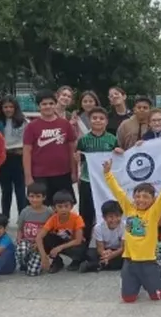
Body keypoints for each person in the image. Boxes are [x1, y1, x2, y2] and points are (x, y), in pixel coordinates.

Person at [103, 158, 161, 302]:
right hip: (130, 262)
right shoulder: (129, 208)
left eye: (146, 197)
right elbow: (118, 192)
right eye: (137, 196)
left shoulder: (153, 212)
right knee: (128, 298)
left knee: (156, 296)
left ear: (152, 199)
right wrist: (108, 174)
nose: (141, 200)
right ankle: (136, 283)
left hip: (148, 263)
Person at [23, 89, 77, 205]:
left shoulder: (65, 124)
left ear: (55, 104)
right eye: (44, 104)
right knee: (41, 208)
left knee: (64, 206)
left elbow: (72, 149)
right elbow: (27, 152)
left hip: (63, 174)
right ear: (39, 106)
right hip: (39, 175)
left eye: (51, 103)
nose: (48, 106)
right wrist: (28, 176)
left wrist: (74, 171)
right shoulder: (31, 126)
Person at [76, 107, 119, 243]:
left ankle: (109, 244)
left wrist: (120, 151)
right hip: (87, 180)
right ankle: (84, 244)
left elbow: (119, 159)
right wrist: (77, 157)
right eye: (94, 118)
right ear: (89, 121)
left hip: (106, 182)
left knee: (108, 213)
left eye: (101, 118)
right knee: (86, 215)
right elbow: (79, 157)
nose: (98, 121)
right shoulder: (84, 140)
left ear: (106, 121)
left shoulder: (112, 139)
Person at [35, 190, 86, 273]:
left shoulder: (77, 218)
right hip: (60, 241)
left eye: (66, 206)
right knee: (46, 238)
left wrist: (59, 248)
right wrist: (43, 256)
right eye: (60, 206)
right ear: (54, 208)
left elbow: (78, 240)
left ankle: (76, 261)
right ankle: (57, 261)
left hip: (72, 244)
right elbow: (39, 237)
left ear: (71, 206)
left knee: (82, 246)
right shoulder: (53, 219)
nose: (63, 209)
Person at [0, 96, 28, 215]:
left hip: (18, 157)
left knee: (20, 189)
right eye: (5, 107)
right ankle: (5, 216)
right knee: (6, 190)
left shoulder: (23, 121)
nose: (8, 109)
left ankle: (22, 216)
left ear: (15, 108)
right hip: (4, 158)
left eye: (11, 107)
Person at [15, 183, 54, 276]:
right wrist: (19, 238)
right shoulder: (25, 211)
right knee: (21, 250)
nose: (34, 199)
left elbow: (51, 231)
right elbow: (20, 228)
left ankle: (34, 261)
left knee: (32, 273)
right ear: (27, 197)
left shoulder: (49, 212)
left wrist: (41, 244)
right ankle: (24, 263)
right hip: (27, 241)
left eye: (38, 196)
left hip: (41, 244)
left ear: (44, 197)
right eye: (31, 196)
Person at [79, 200, 125, 273]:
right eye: (111, 217)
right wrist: (104, 254)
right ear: (104, 217)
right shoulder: (98, 227)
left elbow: (123, 247)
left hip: (118, 251)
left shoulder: (124, 226)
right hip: (105, 250)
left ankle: (96, 265)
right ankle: (103, 264)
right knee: (90, 254)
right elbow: (100, 248)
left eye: (117, 216)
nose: (114, 219)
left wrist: (112, 255)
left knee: (127, 258)